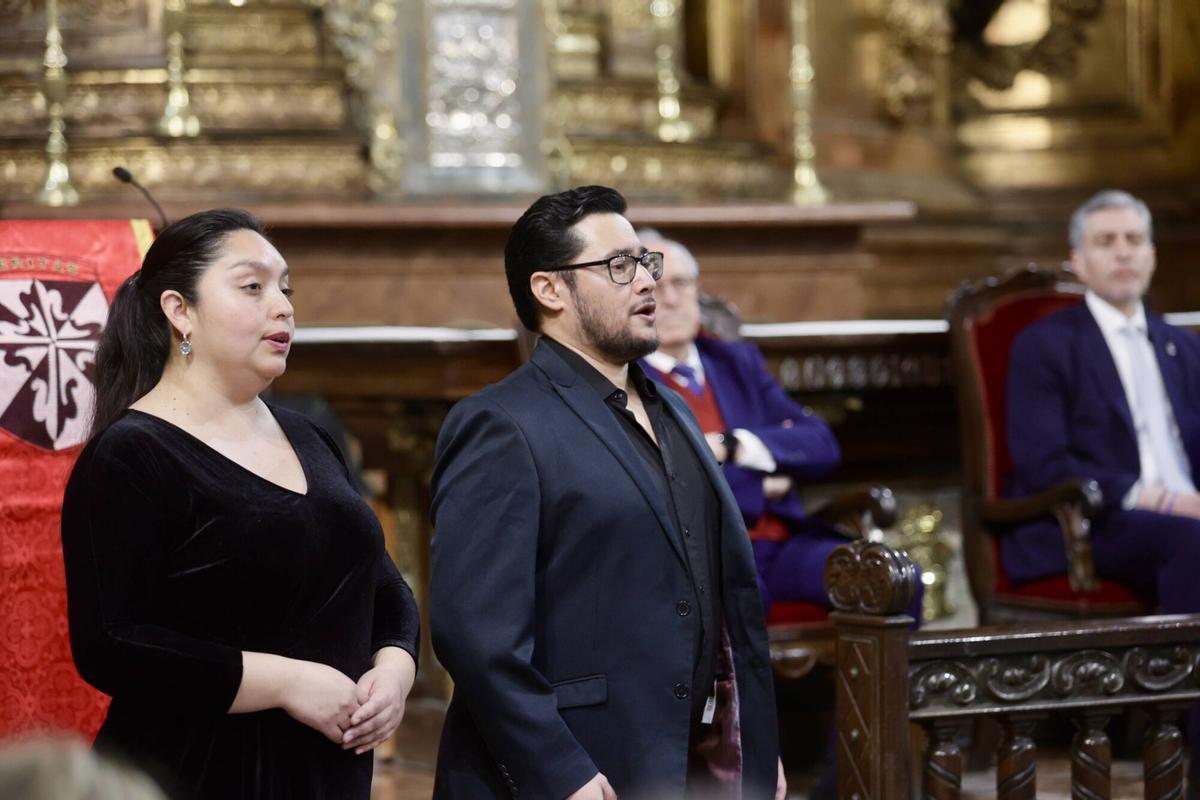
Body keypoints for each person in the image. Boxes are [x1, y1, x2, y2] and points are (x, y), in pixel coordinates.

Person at [429, 186, 783, 799]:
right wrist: (559, 769)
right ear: (550, 290)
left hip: (688, 762)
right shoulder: (501, 423)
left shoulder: (669, 404)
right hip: (578, 764)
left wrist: (749, 741)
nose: (647, 281)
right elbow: (474, 634)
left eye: (645, 262)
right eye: (619, 266)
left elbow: (715, 596)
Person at [60, 209, 420, 799]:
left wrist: (395, 671)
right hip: (193, 772)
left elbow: (382, 586)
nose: (282, 306)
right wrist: (283, 683)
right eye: (253, 287)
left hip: (326, 774)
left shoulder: (309, 436)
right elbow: (111, 644)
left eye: (285, 289)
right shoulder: (131, 454)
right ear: (180, 310)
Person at [1005, 189, 1200, 610]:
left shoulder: (1183, 348)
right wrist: (1161, 500)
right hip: (1101, 518)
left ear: (1152, 255)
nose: (1123, 253)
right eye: (1106, 241)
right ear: (1079, 262)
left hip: (1189, 506)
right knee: (1190, 538)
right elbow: (1043, 463)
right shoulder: (1045, 345)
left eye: (1134, 240)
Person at [635, 231, 844, 616]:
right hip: (704, 557)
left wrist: (737, 446)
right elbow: (666, 484)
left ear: (697, 289)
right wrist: (765, 482)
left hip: (783, 544)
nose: (670, 299)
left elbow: (822, 445)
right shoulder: (626, 379)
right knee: (743, 601)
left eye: (680, 283)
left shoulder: (735, 362)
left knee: (890, 579)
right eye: (655, 286)